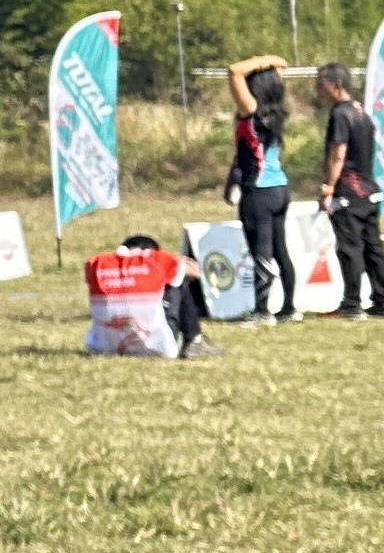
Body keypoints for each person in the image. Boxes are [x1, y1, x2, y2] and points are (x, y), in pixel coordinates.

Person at [225, 55, 297, 322]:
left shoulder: (251, 109)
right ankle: (289, 308)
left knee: (261, 251)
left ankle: (262, 311)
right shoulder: (275, 109)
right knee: (281, 250)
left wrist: (262, 60)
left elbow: (234, 70)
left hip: (259, 191)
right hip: (280, 188)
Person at [312, 63, 377, 316]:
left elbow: (338, 154)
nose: (317, 90)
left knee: (350, 248)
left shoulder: (340, 114)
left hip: (348, 191)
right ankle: (381, 299)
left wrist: (328, 188)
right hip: (368, 190)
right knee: (372, 246)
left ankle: (351, 304)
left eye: (321, 85)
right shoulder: (361, 111)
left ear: (336, 85)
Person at [85, 234, 211, 358]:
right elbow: (194, 271)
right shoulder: (156, 259)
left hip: (101, 348)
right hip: (156, 348)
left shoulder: (96, 263)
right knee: (179, 281)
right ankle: (194, 340)